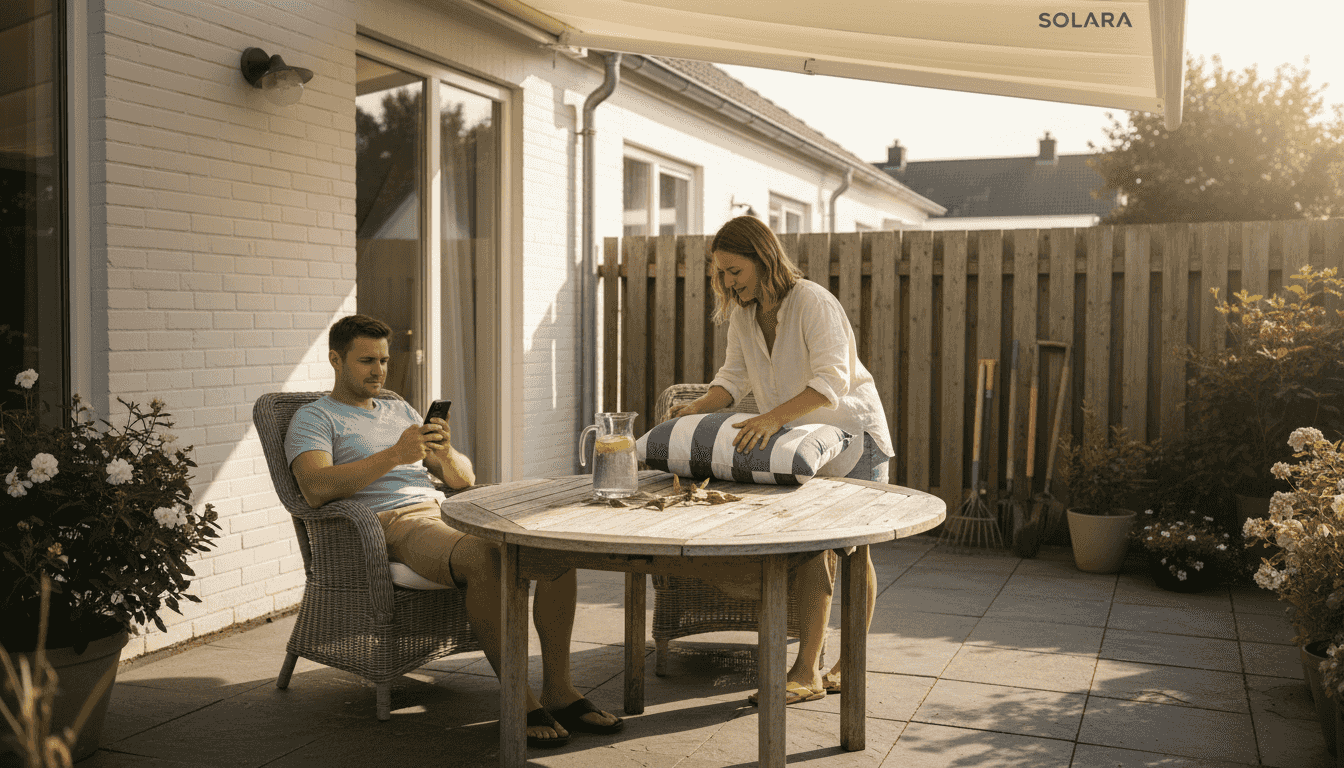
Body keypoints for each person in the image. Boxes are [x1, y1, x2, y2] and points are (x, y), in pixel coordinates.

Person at [285, 314, 620, 748]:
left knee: (554, 551)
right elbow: (314, 489)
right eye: (367, 361)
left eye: (384, 360)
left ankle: (560, 690)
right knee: (485, 557)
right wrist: (395, 455)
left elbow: (464, 478)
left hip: (445, 510)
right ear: (335, 360)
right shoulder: (314, 418)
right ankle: (518, 698)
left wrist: (443, 454)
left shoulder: (398, 408)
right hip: (393, 521)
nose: (379, 371)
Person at [668, 215, 892, 704]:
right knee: (814, 547)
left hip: (854, 438)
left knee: (854, 553)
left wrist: (770, 420)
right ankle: (808, 671)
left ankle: (840, 663)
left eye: (734, 271)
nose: (728, 282)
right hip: (803, 447)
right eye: (721, 274)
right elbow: (732, 380)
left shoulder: (812, 302)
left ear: (763, 258)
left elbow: (831, 382)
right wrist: (694, 409)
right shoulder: (745, 316)